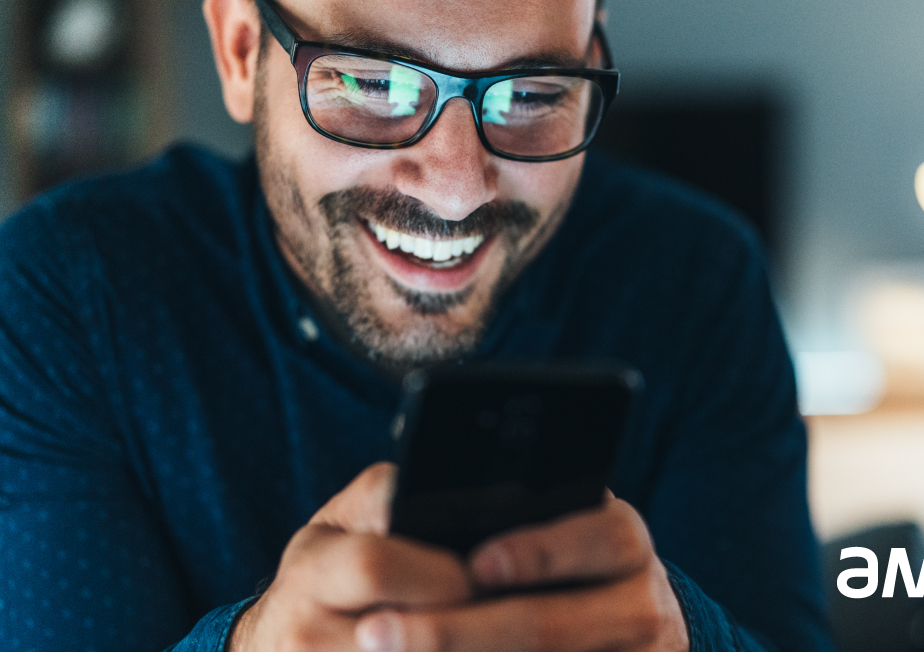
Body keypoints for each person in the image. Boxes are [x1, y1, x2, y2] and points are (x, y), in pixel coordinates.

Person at [0, 0, 832, 650]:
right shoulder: (70, 292)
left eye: (534, 93)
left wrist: (681, 634)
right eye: (373, 84)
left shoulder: (694, 278)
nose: (458, 189)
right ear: (241, 49)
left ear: (596, 60)